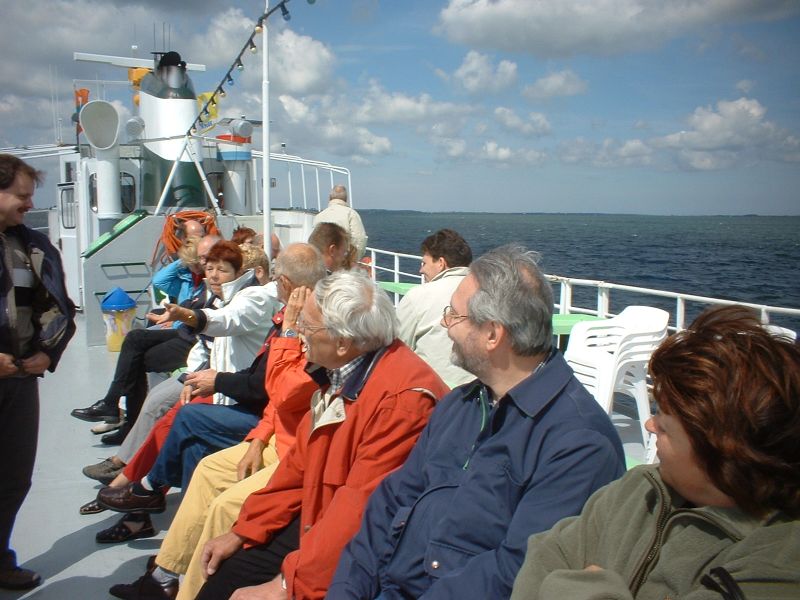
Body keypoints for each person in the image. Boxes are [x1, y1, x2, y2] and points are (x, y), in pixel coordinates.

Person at [328, 244, 625, 600]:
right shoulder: (460, 406)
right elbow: (389, 504)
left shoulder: (579, 445)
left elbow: (514, 573)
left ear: (492, 335)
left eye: (454, 315)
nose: (445, 324)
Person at [509, 305, 800, 600]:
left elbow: (551, 574)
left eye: (665, 424)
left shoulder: (776, 562)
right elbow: (545, 554)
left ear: (719, 448)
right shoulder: (638, 489)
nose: (649, 425)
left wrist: (582, 588)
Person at [195, 270, 449, 600]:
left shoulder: (404, 403)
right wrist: (244, 531)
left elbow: (360, 510)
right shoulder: (342, 374)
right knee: (225, 575)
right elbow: (298, 470)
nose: (298, 329)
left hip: (357, 549)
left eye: (307, 324)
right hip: (321, 513)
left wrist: (286, 585)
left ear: (342, 343)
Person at [107, 245, 327, 600]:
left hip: (295, 451)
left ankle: (187, 586)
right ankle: (165, 573)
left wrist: (288, 333)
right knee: (205, 465)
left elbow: (283, 392)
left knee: (219, 492)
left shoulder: (315, 325)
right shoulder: (290, 315)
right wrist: (258, 439)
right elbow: (277, 400)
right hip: (274, 435)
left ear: (284, 282)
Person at [0, 154, 76, 590]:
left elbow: (56, 307)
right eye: (22, 196)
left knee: (12, 479)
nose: (30, 205)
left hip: (19, 380)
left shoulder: (33, 246)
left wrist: (47, 352)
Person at [70, 234, 218, 429]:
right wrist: (183, 261)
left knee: (137, 359)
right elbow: (160, 281)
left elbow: (206, 316)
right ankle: (116, 408)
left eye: (205, 258)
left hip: (192, 337)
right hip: (183, 330)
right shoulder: (193, 279)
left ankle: (122, 416)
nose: (202, 263)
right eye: (199, 258)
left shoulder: (214, 281)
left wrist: (177, 318)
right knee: (135, 338)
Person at [396, 228, 474, 387]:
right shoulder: (489, 292)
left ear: (441, 263)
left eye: (424, 263)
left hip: (431, 391)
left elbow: (396, 347)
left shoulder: (418, 296)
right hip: (480, 392)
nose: (421, 270)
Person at [312, 185, 367, 259]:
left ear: (330, 198)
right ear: (346, 199)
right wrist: (353, 259)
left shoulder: (319, 216)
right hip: (342, 259)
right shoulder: (351, 214)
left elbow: (314, 240)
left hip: (323, 260)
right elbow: (359, 239)